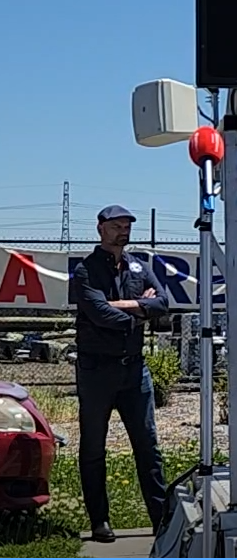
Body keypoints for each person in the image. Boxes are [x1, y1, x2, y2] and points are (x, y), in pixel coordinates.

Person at [69, 205, 169, 543]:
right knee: (94, 447)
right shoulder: (85, 270)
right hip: (96, 370)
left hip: (134, 371)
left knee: (148, 447)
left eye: (126, 226)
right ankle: (100, 521)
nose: (122, 231)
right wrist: (140, 309)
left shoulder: (138, 264)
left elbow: (163, 303)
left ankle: (161, 519)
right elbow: (98, 314)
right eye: (116, 226)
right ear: (100, 229)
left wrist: (120, 305)